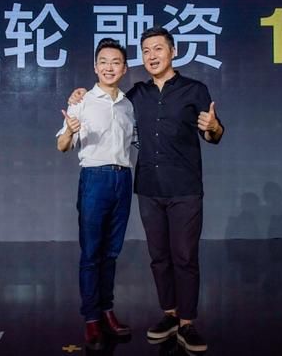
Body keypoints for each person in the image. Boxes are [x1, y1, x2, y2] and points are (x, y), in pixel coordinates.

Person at [69, 27, 224, 352]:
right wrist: (79, 96)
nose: (152, 56)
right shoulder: (136, 95)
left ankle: (187, 323)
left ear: (173, 51)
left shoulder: (194, 90)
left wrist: (213, 127)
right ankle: (169, 315)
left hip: (185, 188)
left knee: (185, 256)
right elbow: (108, 99)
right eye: (146, 51)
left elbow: (213, 135)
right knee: (159, 257)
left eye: (158, 49)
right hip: (149, 189)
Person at [56, 38, 135, 350]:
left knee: (111, 253)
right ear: (95, 67)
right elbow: (62, 146)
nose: (109, 67)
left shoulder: (129, 105)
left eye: (116, 62)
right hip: (95, 179)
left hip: (123, 179)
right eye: (103, 62)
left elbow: (138, 141)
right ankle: (91, 318)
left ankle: (106, 310)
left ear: (124, 68)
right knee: (91, 253)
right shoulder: (82, 101)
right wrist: (70, 130)